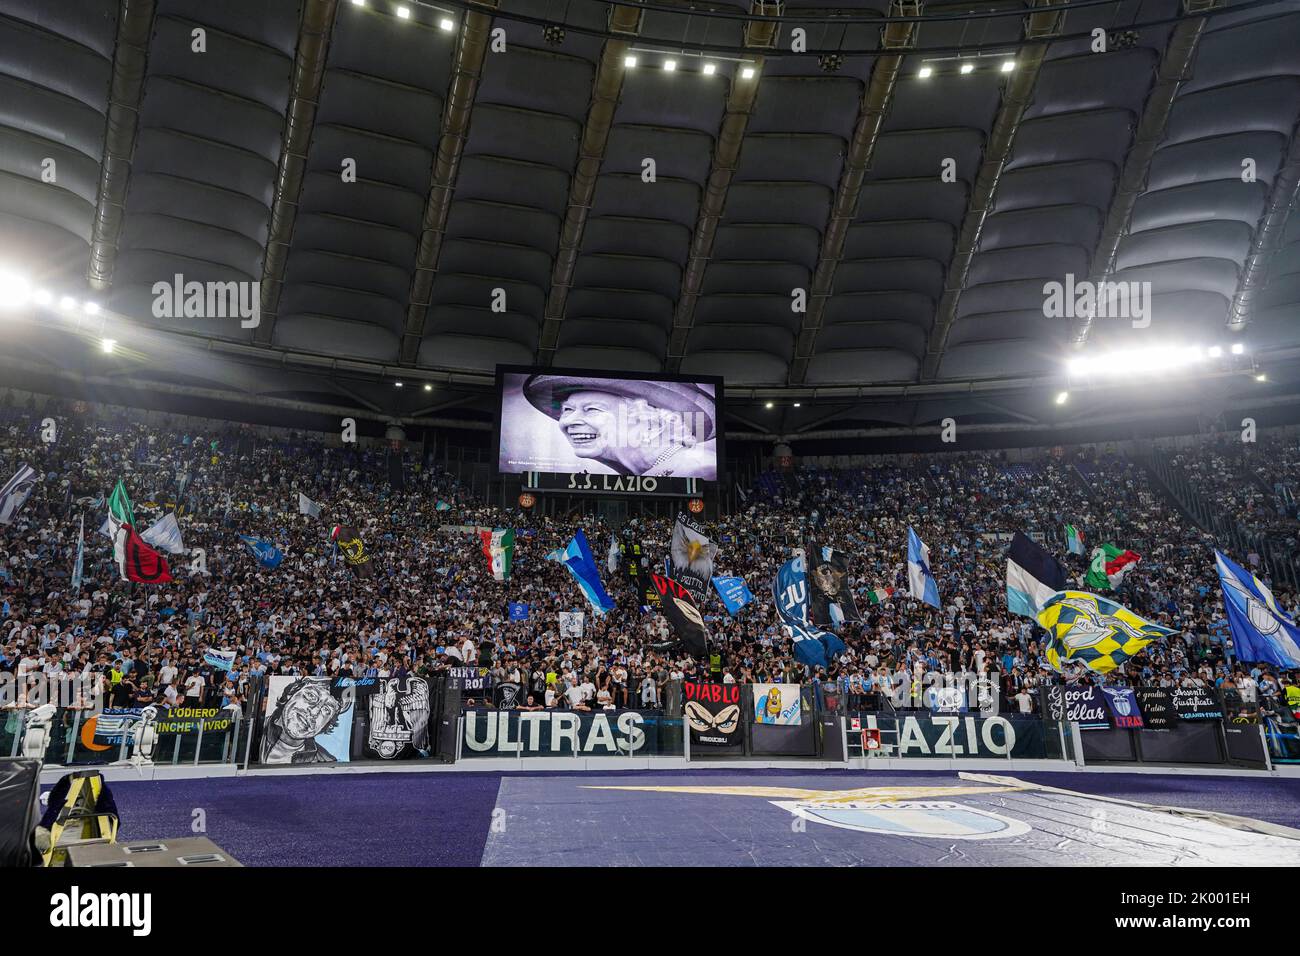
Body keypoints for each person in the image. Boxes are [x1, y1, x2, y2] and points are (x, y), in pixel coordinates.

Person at [521, 374, 717, 478]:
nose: (569, 421)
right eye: (567, 410)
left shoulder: (701, 469)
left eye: (592, 409)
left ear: (652, 423)